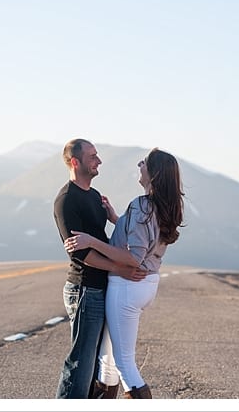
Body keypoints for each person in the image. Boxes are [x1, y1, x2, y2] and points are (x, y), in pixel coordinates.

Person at [64, 147, 185, 399]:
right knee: (107, 359)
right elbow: (143, 238)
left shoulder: (142, 206)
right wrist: (118, 219)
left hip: (127, 287)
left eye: (145, 162)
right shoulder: (160, 207)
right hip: (145, 285)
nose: (140, 163)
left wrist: (92, 242)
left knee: (124, 364)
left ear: (153, 173)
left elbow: (133, 257)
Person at [53, 138, 146, 399]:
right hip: (84, 289)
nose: (99, 161)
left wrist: (114, 218)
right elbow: (82, 253)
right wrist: (120, 268)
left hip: (100, 287)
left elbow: (103, 241)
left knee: (95, 363)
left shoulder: (94, 196)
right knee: (81, 363)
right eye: (92, 156)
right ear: (75, 162)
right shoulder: (66, 201)